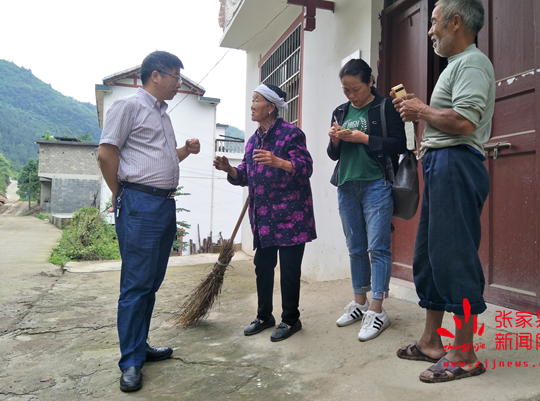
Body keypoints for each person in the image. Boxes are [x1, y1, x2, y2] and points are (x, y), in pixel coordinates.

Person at [393, 0, 495, 383]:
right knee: (430, 255)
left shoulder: (472, 63)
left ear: (456, 22)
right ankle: (432, 341)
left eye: (434, 21)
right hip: (440, 163)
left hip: (456, 163)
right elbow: (448, 116)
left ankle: (464, 353)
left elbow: (465, 122)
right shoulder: (456, 65)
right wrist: (420, 110)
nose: (430, 30)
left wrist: (421, 110)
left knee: (454, 256)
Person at [98, 51, 200, 392]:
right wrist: (120, 193)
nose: (178, 84)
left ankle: (139, 346)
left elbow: (162, 158)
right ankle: (130, 361)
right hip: (139, 203)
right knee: (136, 284)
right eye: (175, 77)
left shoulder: (162, 114)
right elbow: (106, 153)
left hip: (163, 204)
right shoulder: (128, 107)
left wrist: (185, 150)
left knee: (151, 283)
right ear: (155, 75)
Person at [214, 83, 316, 342]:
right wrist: (229, 169)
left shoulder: (291, 134)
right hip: (264, 218)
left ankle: (290, 320)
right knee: (263, 266)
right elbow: (245, 175)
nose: (252, 105)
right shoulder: (252, 141)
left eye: (256, 100)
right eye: (252, 100)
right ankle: (264, 316)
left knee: (289, 270)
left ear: (270, 107)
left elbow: (305, 167)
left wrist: (278, 162)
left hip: (292, 216)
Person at [327, 59, 407, 341]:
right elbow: (333, 155)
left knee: (378, 248)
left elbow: (400, 144)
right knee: (355, 247)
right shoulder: (340, 111)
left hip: (376, 183)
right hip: (346, 184)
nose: (351, 95)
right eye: (346, 90)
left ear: (370, 82)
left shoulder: (385, 107)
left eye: (356, 89)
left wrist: (364, 138)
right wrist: (335, 139)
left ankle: (377, 309)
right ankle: (359, 302)